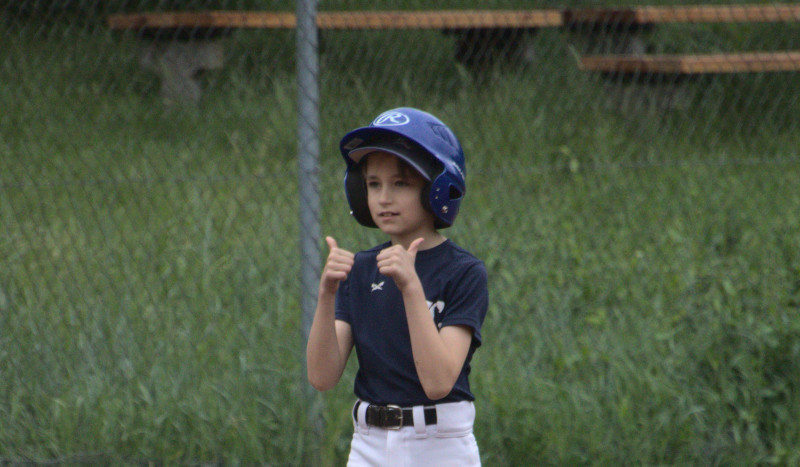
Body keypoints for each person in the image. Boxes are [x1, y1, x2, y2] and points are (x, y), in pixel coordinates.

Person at [306, 107, 488, 466]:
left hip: (440, 446)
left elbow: (438, 382)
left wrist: (411, 287)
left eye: (400, 183)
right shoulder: (360, 269)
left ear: (438, 187)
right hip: (369, 446)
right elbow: (322, 376)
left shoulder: (464, 272)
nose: (383, 197)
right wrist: (326, 295)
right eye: (373, 184)